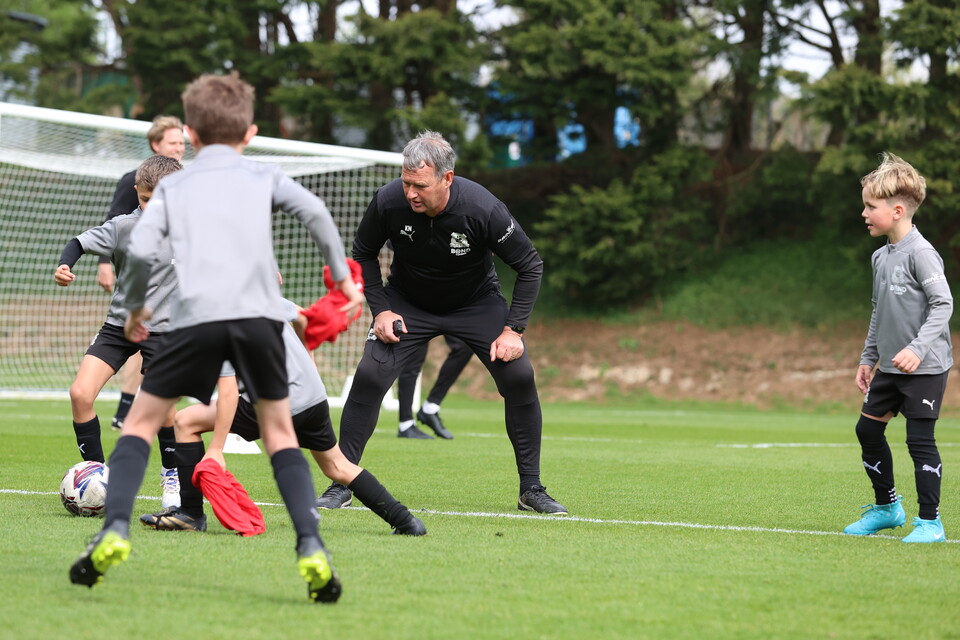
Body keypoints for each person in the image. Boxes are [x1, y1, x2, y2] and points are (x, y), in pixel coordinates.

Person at [68, 72, 363, 605]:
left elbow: (139, 249)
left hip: (193, 319)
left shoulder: (174, 185)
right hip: (253, 320)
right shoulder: (263, 176)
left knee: (140, 421)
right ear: (248, 133)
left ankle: (113, 530)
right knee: (277, 433)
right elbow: (317, 213)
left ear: (192, 136)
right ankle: (311, 545)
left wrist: (134, 310)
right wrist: (342, 279)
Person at [316, 130, 567, 515]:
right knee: (370, 373)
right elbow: (364, 252)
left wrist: (512, 330)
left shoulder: (483, 209)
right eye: (406, 183)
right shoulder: (388, 201)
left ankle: (531, 489)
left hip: (475, 303)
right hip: (407, 304)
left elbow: (530, 264)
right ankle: (341, 482)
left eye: (420, 185)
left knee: (518, 375)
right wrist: (381, 309)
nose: (411, 193)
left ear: (447, 178)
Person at [139, 299, 426, 537]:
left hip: (276, 401)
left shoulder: (217, 316)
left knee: (186, 421)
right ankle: (406, 522)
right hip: (312, 394)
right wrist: (308, 361)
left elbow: (228, 393)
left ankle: (190, 514)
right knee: (337, 466)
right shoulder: (259, 293)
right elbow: (302, 318)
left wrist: (215, 449)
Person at [54, 154, 184, 509]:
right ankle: (99, 476)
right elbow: (78, 243)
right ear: (136, 193)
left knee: (164, 409)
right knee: (80, 394)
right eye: (144, 199)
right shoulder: (125, 226)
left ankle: (171, 478)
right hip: (119, 326)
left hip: (166, 332)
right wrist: (65, 265)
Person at [842, 152, 952, 543]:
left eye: (871, 207)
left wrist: (919, 348)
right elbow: (879, 310)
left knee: (919, 442)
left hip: (924, 367)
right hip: (888, 367)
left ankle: (929, 522)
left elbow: (944, 304)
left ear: (898, 209)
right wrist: (868, 357)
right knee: (867, 431)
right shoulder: (879, 257)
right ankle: (888, 508)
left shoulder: (921, 253)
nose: (865, 213)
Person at [99, 116, 186, 433]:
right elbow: (114, 224)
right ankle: (126, 408)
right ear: (156, 147)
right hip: (141, 274)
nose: (179, 148)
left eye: (181, 143)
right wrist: (104, 263)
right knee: (137, 331)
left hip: (178, 280)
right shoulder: (133, 181)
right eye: (172, 143)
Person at [396, 335, 472, 439]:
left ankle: (430, 407)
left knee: (465, 345)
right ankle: (406, 424)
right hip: (419, 319)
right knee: (414, 358)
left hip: (447, 318)